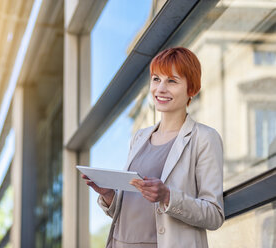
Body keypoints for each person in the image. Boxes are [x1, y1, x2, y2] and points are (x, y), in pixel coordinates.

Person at [81, 47, 224, 248]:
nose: (160, 89)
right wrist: (109, 195)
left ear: (192, 89)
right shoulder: (139, 138)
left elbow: (214, 216)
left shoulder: (204, 138)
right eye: (156, 79)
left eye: (172, 81)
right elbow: (133, 210)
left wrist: (167, 197)